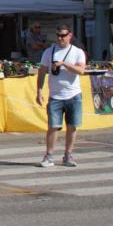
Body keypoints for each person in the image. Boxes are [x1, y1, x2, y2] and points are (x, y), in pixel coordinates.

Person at [35, 25, 86, 167]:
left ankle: (68, 155)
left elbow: (81, 70)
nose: (60, 38)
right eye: (58, 35)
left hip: (74, 94)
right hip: (55, 96)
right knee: (53, 126)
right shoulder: (49, 52)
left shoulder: (77, 52)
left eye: (63, 35)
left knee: (72, 126)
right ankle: (49, 156)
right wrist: (39, 90)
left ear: (70, 36)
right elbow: (42, 72)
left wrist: (64, 64)